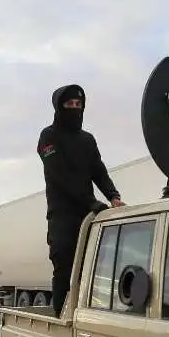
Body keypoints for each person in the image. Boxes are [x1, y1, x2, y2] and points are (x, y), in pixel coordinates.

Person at [36, 84, 125, 314]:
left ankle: (84, 317)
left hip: (87, 213)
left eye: (79, 104)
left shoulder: (87, 140)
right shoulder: (49, 136)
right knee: (64, 269)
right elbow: (60, 176)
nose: (75, 108)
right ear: (59, 107)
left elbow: (98, 170)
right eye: (69, 105)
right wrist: (91, 202)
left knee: (89, 270)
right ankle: (61, 317)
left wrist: (113, 196)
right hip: (62, 216)